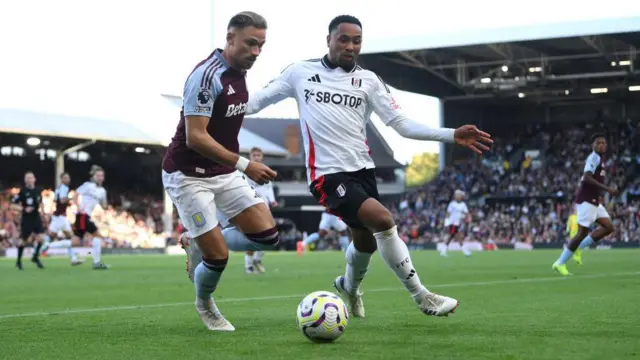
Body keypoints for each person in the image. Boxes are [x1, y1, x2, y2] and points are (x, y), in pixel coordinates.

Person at [245, 15, 492, 318]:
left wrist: (451, 135)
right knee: (384, 221)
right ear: (329, 40)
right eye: (344, 39)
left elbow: (400, 124)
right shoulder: (300, 73)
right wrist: (217, 105)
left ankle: (348, 287)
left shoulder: (369, 81)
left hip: (363, 171)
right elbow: (255, 102)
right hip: (326, 174)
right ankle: (422, 296)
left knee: (364, 244)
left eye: (356, 41)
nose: (350, 46)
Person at [162, 11, 281, 332]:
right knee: (218, 258)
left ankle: (199, 241)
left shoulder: (240, 71)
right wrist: (245, 164)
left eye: (261, 45)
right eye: (250, 43)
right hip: (187, 175)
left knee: (268, 237)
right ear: (230, 39)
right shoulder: (206, 76)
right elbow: (195, 137)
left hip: (222, 172)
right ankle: (206, 305)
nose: (256, 52)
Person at [552, 134, 617, 276]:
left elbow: (595, 179)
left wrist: (600, 195)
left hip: (594, 200)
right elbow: (587, 177)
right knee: (582, 233)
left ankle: (579, 248)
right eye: (598, 143)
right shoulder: (593, 158)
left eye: (604, 143)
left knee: (608, 227)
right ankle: (560, 263)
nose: (602, 145)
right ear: (593, 145)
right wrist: (608, 190)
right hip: (587, 200)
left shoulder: (601, 160)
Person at [243, 147, 277, 274]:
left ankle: (257, 259)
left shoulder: (265, 169)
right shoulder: (245, 170)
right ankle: (249, 265)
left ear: (262, 156)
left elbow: (268, 187)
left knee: (270, 235)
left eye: (259, 155)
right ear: (250, 156)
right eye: (254, 155)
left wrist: (272, 200)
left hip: (265, 206)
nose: (257, 157)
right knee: (253, 237)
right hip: (251, 206)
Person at [41, 172, 83, 265]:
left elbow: (58, 200)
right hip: (60, 217)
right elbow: (62, 200)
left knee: (51, 236)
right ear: (62, 179)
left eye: (68, 178)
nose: (68, 179)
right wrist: (71, 198)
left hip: (58, 217)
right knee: (71, 238)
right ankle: (48, 247)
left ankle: (73, 258)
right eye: (66, 178)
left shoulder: (59, 188)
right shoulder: (64, 188)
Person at [74, 165, 110, 270]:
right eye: (98, 175)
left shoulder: (102, 191)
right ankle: (96, 262)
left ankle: (48, 245)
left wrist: (105, 206)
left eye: (101, 176)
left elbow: (103, 206)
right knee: (97, 236)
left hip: (86, 216)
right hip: (82, 215)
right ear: (93, 176)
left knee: (75, 241)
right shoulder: (88, 185)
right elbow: (75, 195)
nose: (100, 177)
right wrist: (78, 207)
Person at [11, 171, 45, 270]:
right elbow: (12, 205)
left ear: (34, 179)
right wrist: (23, 209)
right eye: (27, 178)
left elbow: (40, 203)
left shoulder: (38, 190)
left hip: (36, 217)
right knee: (23, 241)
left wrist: (43, 214)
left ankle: (35, 257)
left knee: (42, 238)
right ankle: (18, 261)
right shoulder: (22, 192)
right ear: (25, 180)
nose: (29, 179)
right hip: (26, 219)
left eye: (31, 178)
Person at [441, 190, 471, 257]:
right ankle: (465, 251)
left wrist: (466, 217)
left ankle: (443, 250)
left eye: (459, 195)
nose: (458, 197)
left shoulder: (463, 204)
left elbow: (466, 213)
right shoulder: (452, 204)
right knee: (458, 236)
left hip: (459, 223)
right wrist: (446, 222)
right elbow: (448, 213)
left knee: (452, 237)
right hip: (453, 223)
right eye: (457, 195)